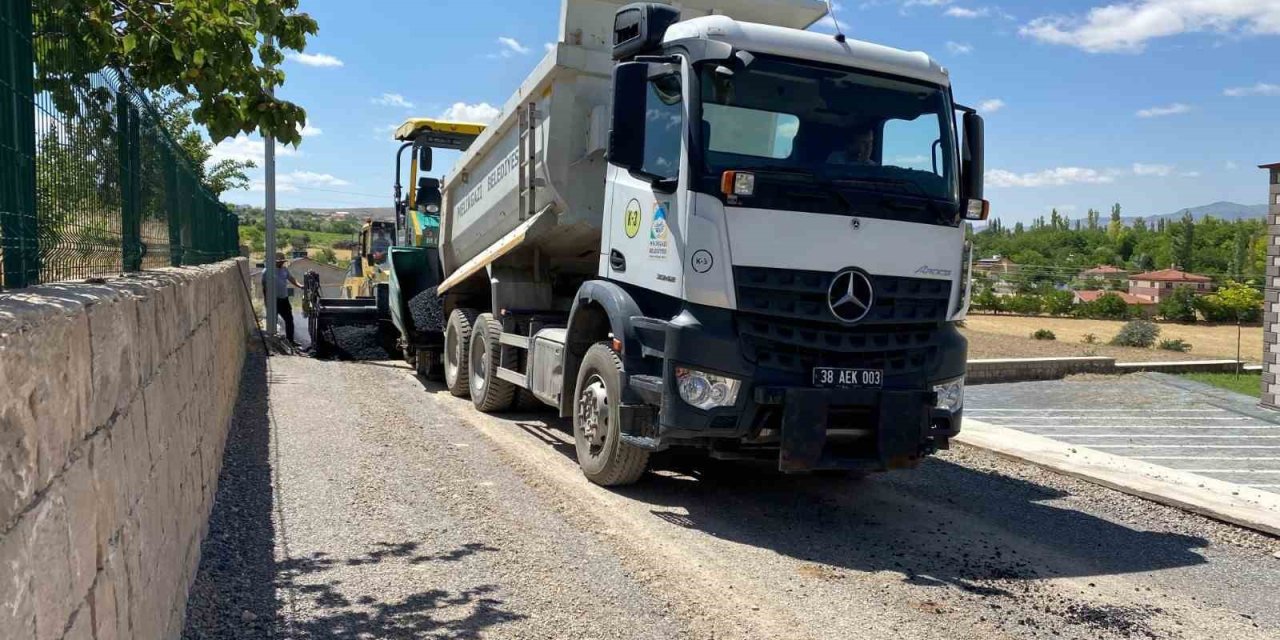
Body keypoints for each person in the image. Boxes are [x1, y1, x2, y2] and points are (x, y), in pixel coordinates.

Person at [263, 252, 303, 343]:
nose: (282, 263)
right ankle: (272, 341)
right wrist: (266, 301)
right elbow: (264, 287)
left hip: (284, 300)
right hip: (274, 300)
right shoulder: (267, 271)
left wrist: (299, 285)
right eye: (279, 262)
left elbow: (291, 278)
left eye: (282, 261)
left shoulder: (284, 270)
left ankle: (290, 341)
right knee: (273, 321)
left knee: (289, 320)